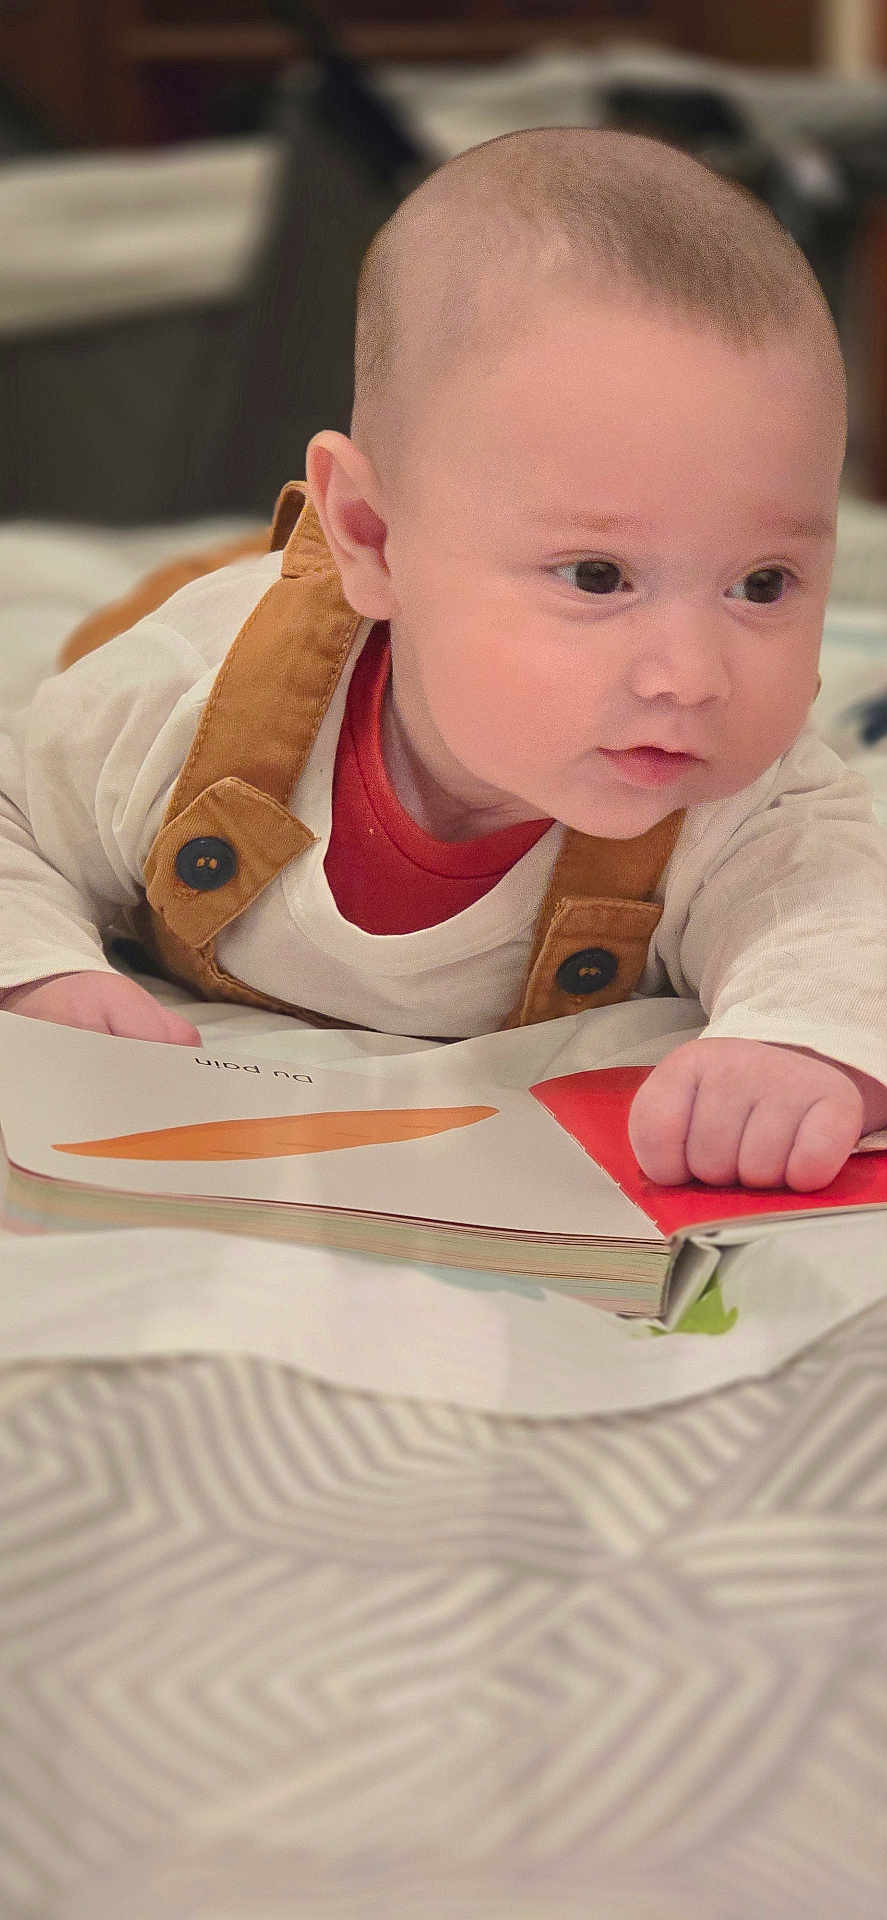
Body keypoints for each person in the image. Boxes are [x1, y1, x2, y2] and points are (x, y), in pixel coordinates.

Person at [1, 127, 886, 1196]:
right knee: (122, 630)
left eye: (760, 585)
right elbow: (16, 815)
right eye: (597, 577)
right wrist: (34, 976)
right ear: (372, 535)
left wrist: (800, 1048)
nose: (689, 676)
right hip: (258, 621)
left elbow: (844, 933)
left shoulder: (749, 804)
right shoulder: (187, 700)